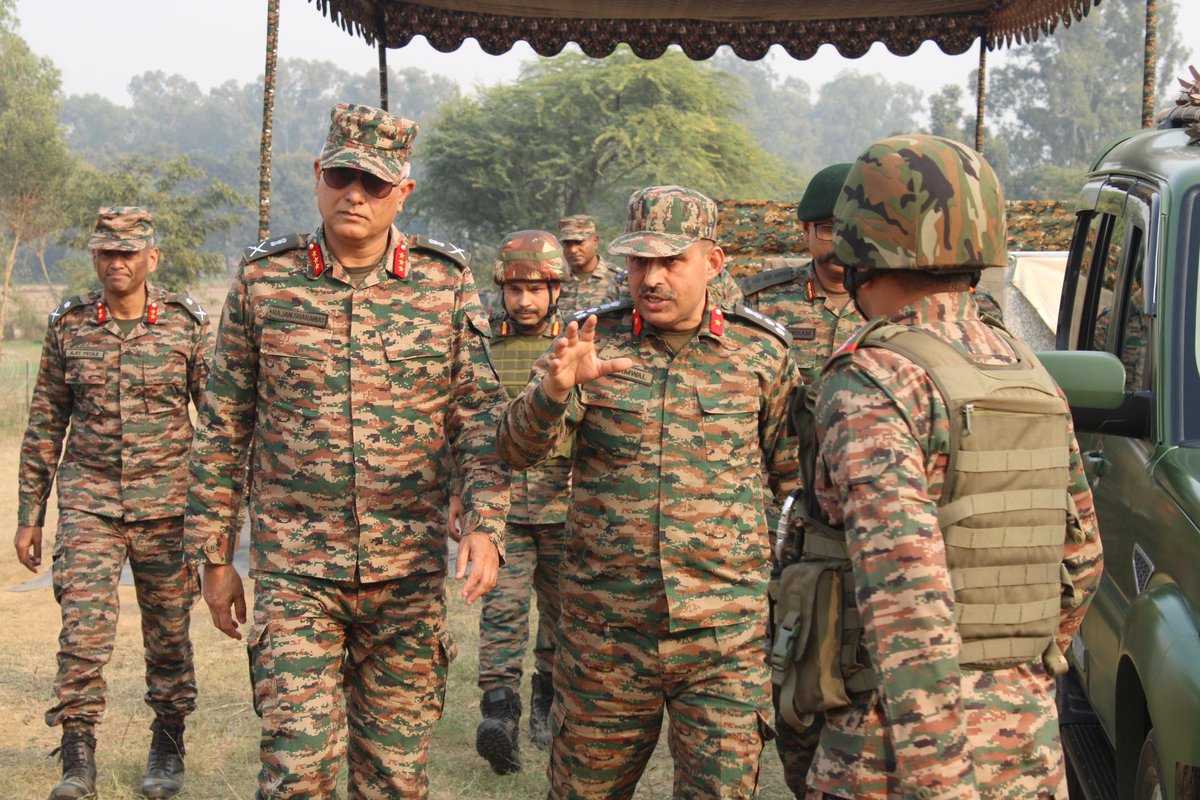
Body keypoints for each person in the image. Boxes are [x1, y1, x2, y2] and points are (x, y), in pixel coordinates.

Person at [185, 103, 510, 800]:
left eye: (373, 180)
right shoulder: (264, 283)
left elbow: (478, 418)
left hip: (405, 577)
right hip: (296, 571)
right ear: (317, 176)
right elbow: (223, 426)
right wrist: (215, 556)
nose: (354, 193)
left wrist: (486, 523)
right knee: (297, 772)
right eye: (341, 175)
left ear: (404, 191)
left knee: (393, 779)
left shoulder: (444, 283)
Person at [799, 134, 1104, 800]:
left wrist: (939, 776)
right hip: (1024, 744)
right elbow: (1081, 560)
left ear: (859, 248)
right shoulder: (1027, 373)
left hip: (899, 754)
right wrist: (1006, 670)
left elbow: (904, 598)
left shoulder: (876, 380)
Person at [497, 185, 799, 799]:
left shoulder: (760, 353)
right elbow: (514, 451)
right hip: (606, 635)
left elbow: (792, 480)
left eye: (670, 261)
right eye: (639, 262)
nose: (651, 278)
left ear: (712, 262)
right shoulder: (587, 341)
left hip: (724, 639)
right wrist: (551, 392)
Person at [13, 207, 210, 800]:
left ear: (152, 258)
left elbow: (221, 421)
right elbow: (45, 421)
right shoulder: (69, 324)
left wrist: (219, 517)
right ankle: (77, 758)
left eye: (128, 253)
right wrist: (30, 514)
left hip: (168, 505)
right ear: (95, 256)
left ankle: (168, 748)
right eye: (106, 252)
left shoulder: (185, 324)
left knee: (170, 635)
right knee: (82, 633)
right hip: (90, 502)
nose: (116, 263)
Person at [462, 230, 572, 775]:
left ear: (556, 289)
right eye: (514, 289)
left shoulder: (576, 345)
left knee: (560, 617)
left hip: (565, 505)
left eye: (536, 289)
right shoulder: (480, 343)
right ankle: (499, 715)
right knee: (501, 611)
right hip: (500, 508)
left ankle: (546, 706)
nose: (524, 301)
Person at [741, 163, 863, 388]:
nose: (841, 244)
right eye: (829, 229)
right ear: (806, 230)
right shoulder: (760, 301)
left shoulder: (895, 305)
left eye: (853, 231)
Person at [555, 214, 622, 313]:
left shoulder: (618, 280)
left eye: (579, 242)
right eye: (567, 243)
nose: (573, 250)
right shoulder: (556, 280)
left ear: (595, 241)